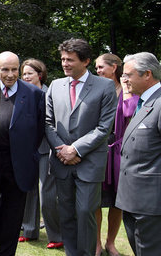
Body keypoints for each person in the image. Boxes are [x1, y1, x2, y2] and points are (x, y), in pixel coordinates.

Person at [45, 38, 117, 256]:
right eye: (63, 59)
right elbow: (47, 123)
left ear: (85, 61)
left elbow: (104, 127)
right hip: (61, 162)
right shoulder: (56, 85)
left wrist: (75, 150)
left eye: (70, 60)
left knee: (85, 211)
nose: (65, 64)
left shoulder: (104, 86)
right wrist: (62, 150)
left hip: (89, 162)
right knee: (66, 213)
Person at [116, 52, 161, 256]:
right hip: (133, 201)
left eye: (128, 75)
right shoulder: (143, 103)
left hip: (154, 205)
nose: (123, 80)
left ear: (147, 74)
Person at [0, 52, 45, 256]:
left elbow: (39, 130)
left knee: (12, 216)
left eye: (14, 69)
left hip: (19, 164)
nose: (10, 74)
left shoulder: (34, 94)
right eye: (5, 69)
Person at [94, 53, 138, 256]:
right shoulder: (95, 89)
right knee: (95, 200)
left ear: (114, 67)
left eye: (101, 67)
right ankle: (95, 244)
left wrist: (127, 89)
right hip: (98, 150)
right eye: (96, 68)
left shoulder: (129, 91)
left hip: (120, 152)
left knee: (116, 201)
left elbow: (129, 113)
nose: (97, 71)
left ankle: (110, 243)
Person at [19, 59, 63, 249]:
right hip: (27, 150)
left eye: (30, 73)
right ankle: (29, 230)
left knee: (47, 194)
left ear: (40, 74)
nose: (26, 77)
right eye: (24, 74)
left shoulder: (49, 93)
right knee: (29, 190)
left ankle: (56, 234)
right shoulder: (21, 94)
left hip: (46, 149)